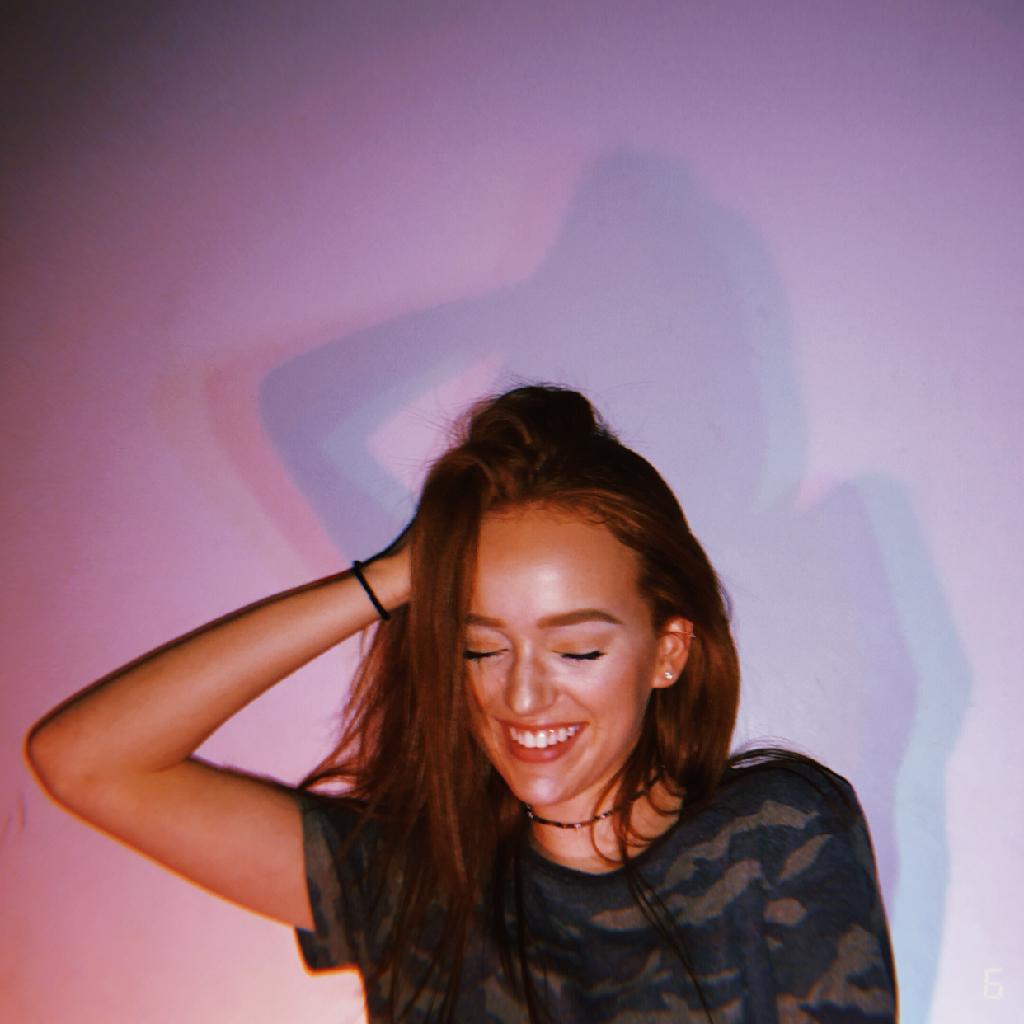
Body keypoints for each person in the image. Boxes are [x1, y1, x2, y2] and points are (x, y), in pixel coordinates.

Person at [26, 384, 897, 1022]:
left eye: (578, 649)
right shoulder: (414, 880)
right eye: (481, 646)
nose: (522, 695)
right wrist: (396, 576)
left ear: (668, 653)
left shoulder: (775, 833)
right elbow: (85, 761)